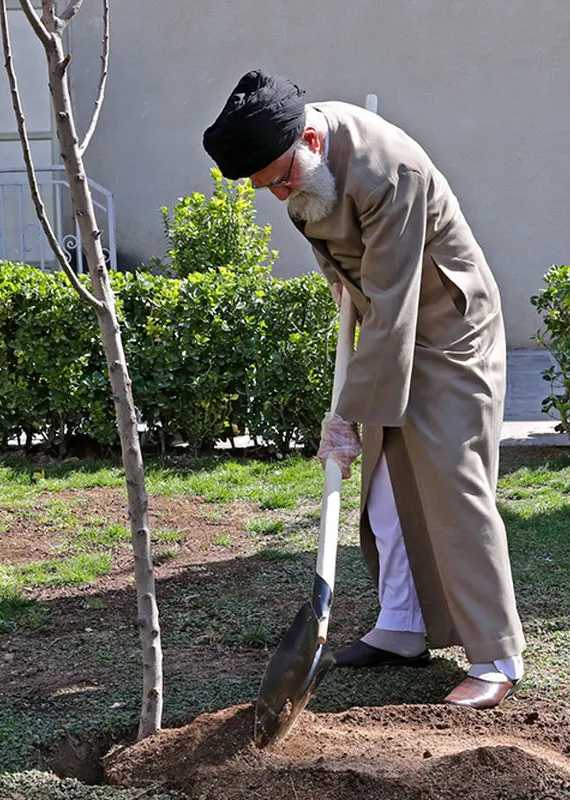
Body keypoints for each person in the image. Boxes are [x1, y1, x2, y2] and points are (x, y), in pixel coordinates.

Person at [202, 71, 525, 709]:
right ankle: (402, 626)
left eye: (281, 178)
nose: (278, 193)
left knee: (452, 480)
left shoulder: (388, 172)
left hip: (448, 327)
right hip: (384, 318)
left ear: (311, 137)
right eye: (265, 186)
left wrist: (346, 416)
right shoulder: (300, 165)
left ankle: (496, 655)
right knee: (381, 482)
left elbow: (396, 302)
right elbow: (356, 275)